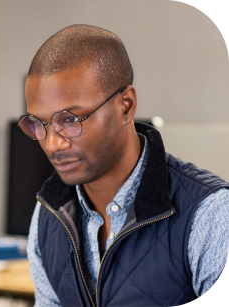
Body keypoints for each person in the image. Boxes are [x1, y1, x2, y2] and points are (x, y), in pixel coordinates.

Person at [19, 24, 229, 307]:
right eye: (39, 124)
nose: (53, 144)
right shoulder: (48, 214)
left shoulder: (210, 216)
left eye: (70, 119)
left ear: (126, 106)